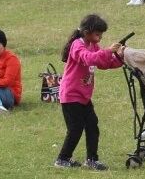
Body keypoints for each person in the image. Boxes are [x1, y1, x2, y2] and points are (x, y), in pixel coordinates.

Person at [53, 14, 125, 170]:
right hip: (71, 95)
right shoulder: (77, 45)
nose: (100, 37)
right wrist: (108, 51)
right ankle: (62, 159)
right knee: (75, 128)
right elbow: (89, 59)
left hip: (84, 96)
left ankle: (92, 159)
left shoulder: (93, 45)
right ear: (87, 32)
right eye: (98, 34)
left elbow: (103, 63)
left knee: (92, 125)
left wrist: (119, 58)